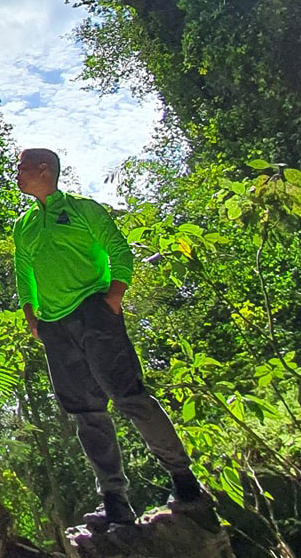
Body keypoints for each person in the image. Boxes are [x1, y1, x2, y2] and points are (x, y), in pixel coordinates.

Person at [12, 146, 205, 525]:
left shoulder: (84, 209)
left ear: (43, 169)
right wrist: (32, 316)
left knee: (130, 396)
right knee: (86, 413)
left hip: (94, 313)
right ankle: (115, 500)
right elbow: (24, 272)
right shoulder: (24, 225)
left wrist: (113, 297)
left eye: (21, 167)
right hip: (55, 328)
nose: (16, 173)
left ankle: (183, 478)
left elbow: (119, 249)